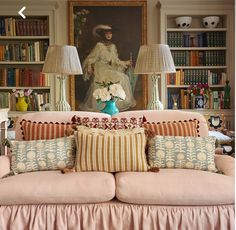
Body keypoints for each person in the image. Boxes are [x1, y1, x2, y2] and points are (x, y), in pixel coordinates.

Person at [79, 24, 136, 111]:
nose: (109, 35)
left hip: (109, 67)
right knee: (102, 80)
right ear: (103, 35)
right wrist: (90, 66)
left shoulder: (113, 46)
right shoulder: (99, 45)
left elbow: (115, 60)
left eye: (110, 33)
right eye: (107, 34)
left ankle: (114, 104)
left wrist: (126, 62)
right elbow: (91, 58)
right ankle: (100, 105)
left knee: (123, 77)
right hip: (100, 68)